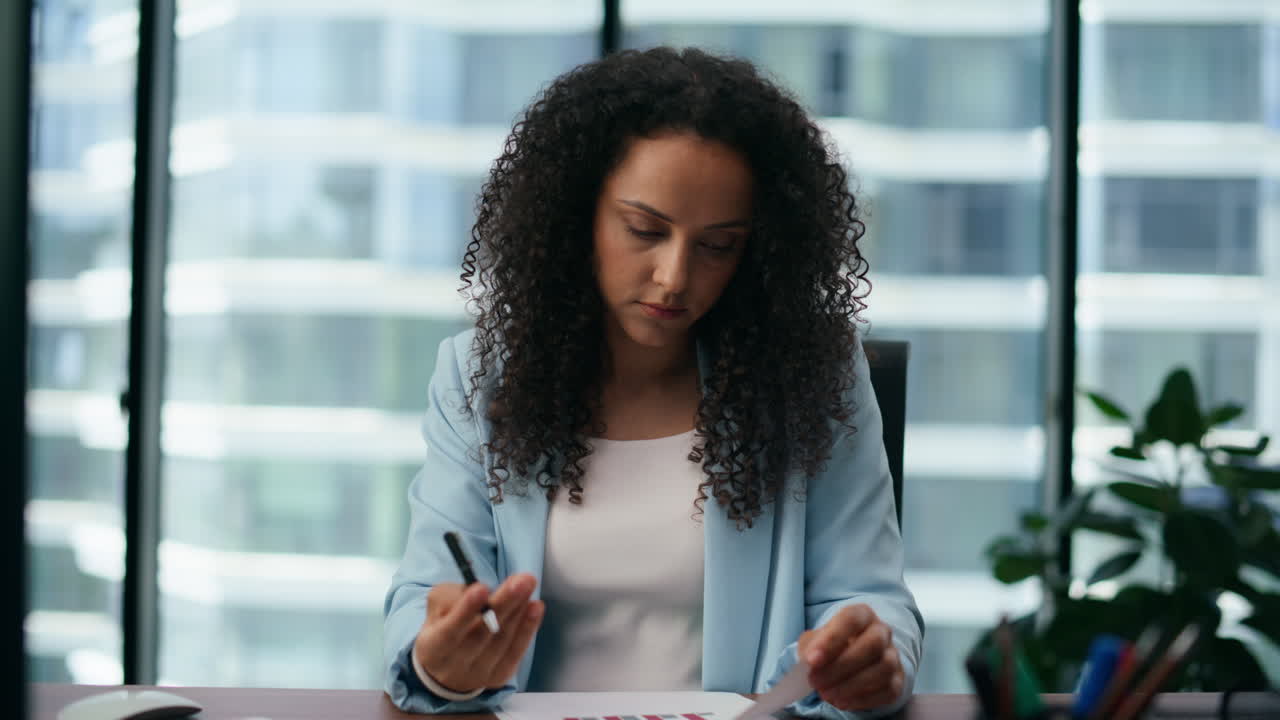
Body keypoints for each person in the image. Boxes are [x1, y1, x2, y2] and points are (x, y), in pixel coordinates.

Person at [383, 46, 924, 718]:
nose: (674, 277)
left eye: (718, 245)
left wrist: (865, 659)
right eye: (645, 230)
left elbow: (871, 600)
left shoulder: (814, 379)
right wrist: (443, 665)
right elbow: (424, 600)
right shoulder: (480, 377)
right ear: (578, 213)